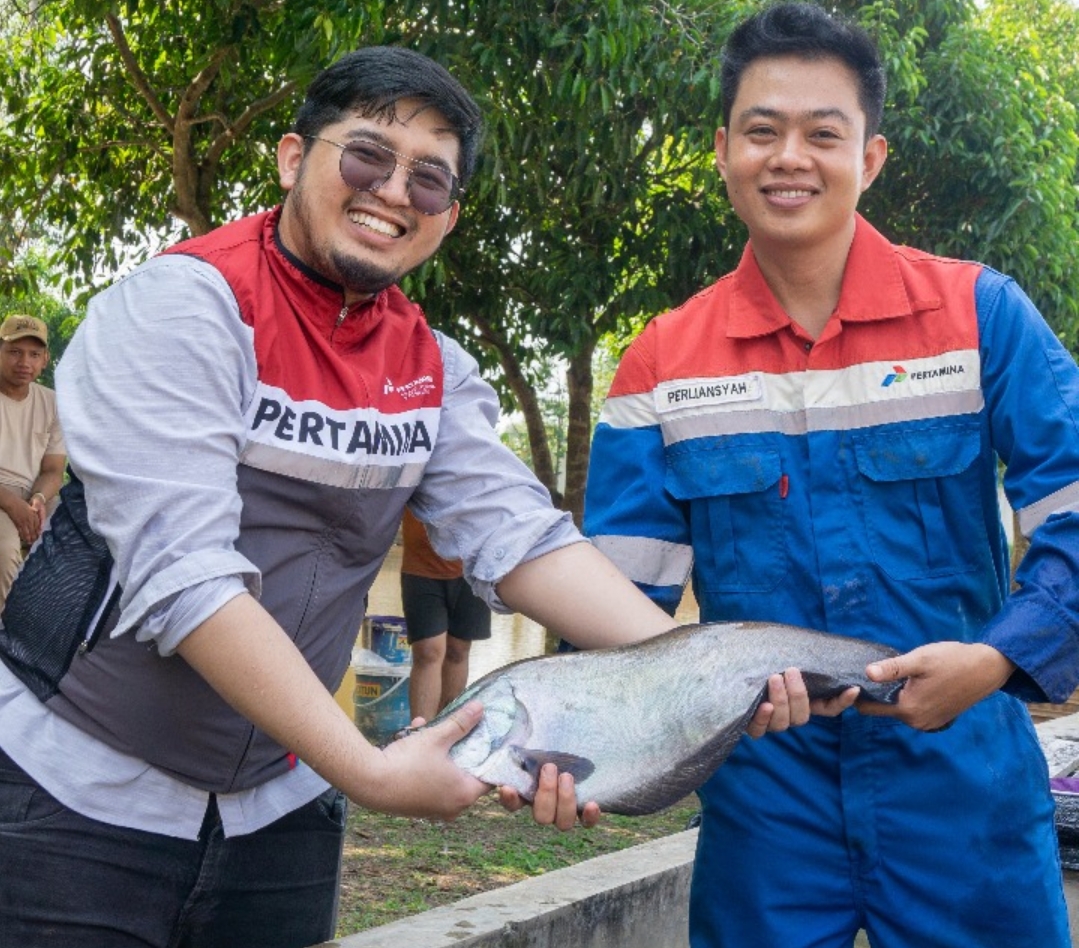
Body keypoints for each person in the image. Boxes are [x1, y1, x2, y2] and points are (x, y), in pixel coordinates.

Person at [0, 46, 808, 948]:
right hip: (68, 792)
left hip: (279, 811)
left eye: (428, 180)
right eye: (365, 156)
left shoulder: (433, 369)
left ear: (448, 217)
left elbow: (520, 539)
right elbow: (185, 577)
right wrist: (372, 773)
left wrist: (700, 668)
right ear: (290, 156)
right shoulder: (181, 308)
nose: (392, 193)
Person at [584, 4, 1078, 947]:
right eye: (762, 130)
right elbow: (621, 608)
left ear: (872, 157)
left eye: (824, 133)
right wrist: (604, 751)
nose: (789, 158)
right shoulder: (660, 365)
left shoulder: (980, 316)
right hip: (762, 796)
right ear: (722, 148)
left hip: (963, 772)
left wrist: (999, 658)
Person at [399, 506, 491, 720]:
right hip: (421, 567)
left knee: (458, 650)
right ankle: (419, 731)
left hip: (473, 565)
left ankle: (446, 729)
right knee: (428, 651)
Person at [0, 313, 65, 613]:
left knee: (71, 536)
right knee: (4, 550)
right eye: (14, 351)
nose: (24, 362)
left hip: (33, 493)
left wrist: (38, 500)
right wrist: (13, 505)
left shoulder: (51, 402)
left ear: (45, 359)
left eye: (34, 354)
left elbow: (53, 470)